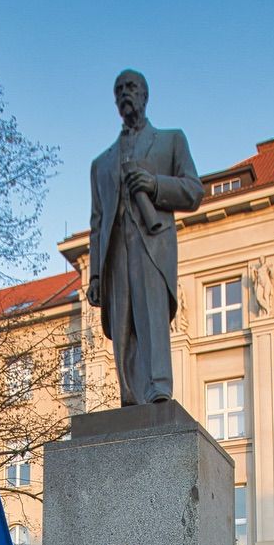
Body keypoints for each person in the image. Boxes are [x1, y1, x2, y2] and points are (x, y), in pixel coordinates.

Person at [88, 70, 203, 406]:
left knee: (151, 316)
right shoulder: (101, 164)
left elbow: (193, 191)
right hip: (115, 251)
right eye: (119, 89)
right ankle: (130, 394)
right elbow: (97, 222)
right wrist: (95, 274)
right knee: (123, 325)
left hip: (152, 243)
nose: (126, 93)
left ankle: (157, 386)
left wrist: (154, 185)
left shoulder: (171, 141)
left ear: (145, 94)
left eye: (132, 87)